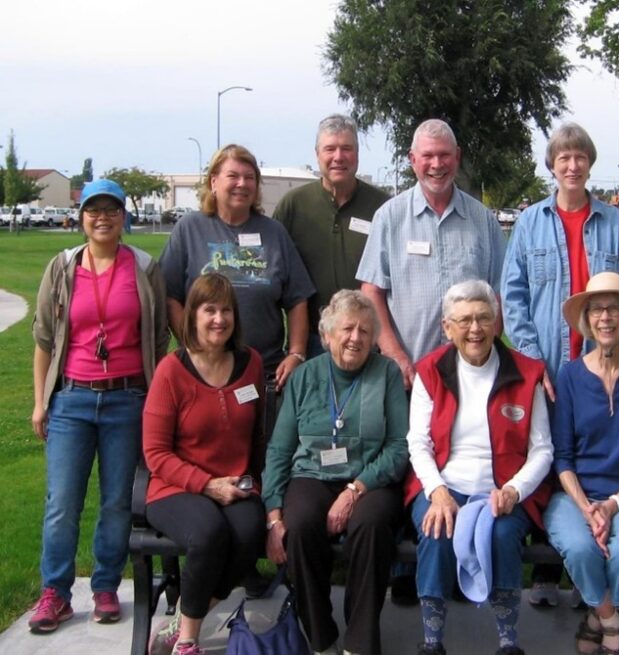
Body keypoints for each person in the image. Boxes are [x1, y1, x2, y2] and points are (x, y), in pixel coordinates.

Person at [500, 122, 619, 606]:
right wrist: (532, 363)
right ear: (552, 166)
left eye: (580, 157)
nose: (572, 166)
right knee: (544, 461)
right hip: (548, 371)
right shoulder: (529, 223)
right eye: (564, 158)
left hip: (601, 367)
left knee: (595, 458)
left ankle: (590, 575)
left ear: (590, 164)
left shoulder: (613, 223)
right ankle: (546, 568)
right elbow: (513, 294)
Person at [29, 179, 169, 633]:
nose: (102, 217)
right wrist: (39, 402)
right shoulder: (63, 266)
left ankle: (107, 585)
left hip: (128, 399)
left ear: (124, 216)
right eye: (94, 210)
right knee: (62, 502)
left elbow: (160, 334)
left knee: (116, 502)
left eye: (111, 209)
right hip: (71, 398)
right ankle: (56, 592)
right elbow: (44, 341)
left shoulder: (145, 267)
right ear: (82, 216)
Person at [404, 280, 554, 655]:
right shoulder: (430, 371)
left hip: (503, 488)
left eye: (485, 318)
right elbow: (418, 442)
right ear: (447, 327)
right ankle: (432, 640)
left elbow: (542, 450)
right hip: (443, 483)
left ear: (497, 322)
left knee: (502, 535)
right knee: (437, 529)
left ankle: (507, 640)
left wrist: (514, 491)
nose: (476, 329)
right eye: (465, 320)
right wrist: (437, 492)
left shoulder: (527, 372)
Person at [263, 289, 409, 655]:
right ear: (326, 335)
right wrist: (273, 516)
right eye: (346, 329)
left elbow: (398, 447)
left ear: (374, 338)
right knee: (299, 528)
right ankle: (321, 636)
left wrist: (356, 489)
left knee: (371, 527)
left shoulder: (387, 373)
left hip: (371, 479)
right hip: (312, 474)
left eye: (364, 330)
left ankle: (359, 642)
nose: (355, 338)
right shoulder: (305, 376)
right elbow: (280, 449)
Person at [144, 273, 267, 655]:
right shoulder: (172, 370)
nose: (219, 319)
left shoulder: (251, 364)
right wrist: (206, 484)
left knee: (248, 535)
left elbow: (259, 437)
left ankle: (184, 617)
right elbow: (156, 453)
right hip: (175, 487)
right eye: (209, 310)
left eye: (226, 310)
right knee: (209, 533)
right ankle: (187, 642)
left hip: (237, 485)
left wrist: (258, 487)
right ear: (192, 316)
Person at [544, 272, 619, 655]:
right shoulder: (571, 376)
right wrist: (585, 507)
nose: (606, 318)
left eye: (614, 308)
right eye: (597, 309)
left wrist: (613, 505)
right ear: (587, 320)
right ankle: (612, 619)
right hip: (574, 496)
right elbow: (562, 457)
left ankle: (595, 616)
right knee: (579, 549)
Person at [356, 119, 507, 391]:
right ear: (413, 159)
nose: (437, 164)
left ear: (457, 157)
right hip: (408, 375)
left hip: (471, 379)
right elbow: (372, 291)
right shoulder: (389, 218)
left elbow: (498, 296)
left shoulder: (483, 220)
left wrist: (483, 357)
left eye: (444, 155)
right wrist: (394, 355)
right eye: (428, 156)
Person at [159, 143, 315, 391]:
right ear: (213, 182)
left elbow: (298, 299)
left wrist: (296, 353)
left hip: (265, 372)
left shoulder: (274, 233)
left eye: (249, 177)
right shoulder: (189, 229)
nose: (242, 184)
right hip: (202, 373)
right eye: (233, 176)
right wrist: (192, 345)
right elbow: (170, 296)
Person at [273, 114, 390, 358]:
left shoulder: (383, 207)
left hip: (369, 340)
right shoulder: (293, 205)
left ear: (357, 154)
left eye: (346, 148)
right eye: (330, 149)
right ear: (317, 154)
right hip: (312, 341)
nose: (338, 157)